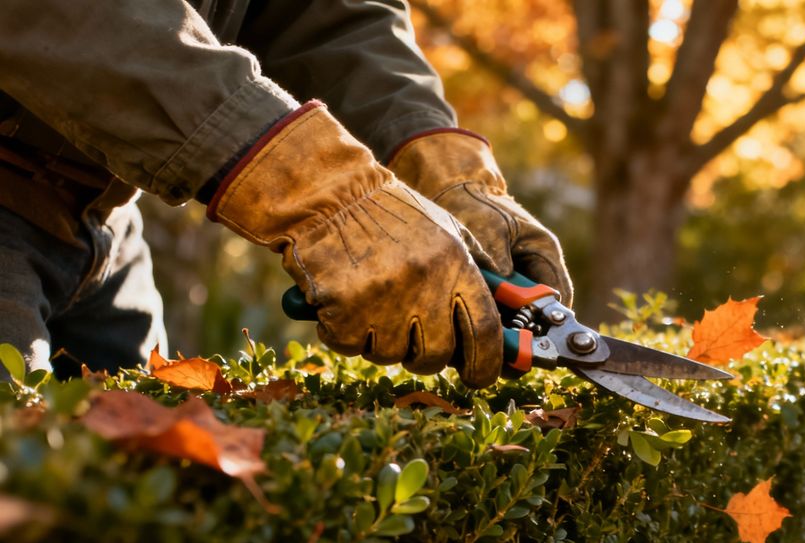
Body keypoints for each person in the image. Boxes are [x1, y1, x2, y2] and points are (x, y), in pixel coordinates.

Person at [0, 0, 572, 385]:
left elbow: (326, 13)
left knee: (152, 514)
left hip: (103, 215)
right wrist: (321, 194)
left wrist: (436, 165)